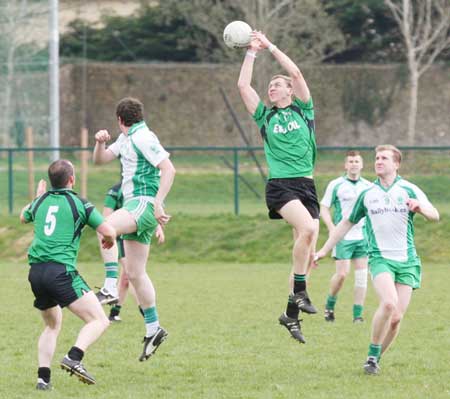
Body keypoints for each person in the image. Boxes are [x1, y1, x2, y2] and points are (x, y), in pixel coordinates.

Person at [315, 145, 439, 375]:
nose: (379, 161)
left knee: (396, 319)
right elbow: (345, 224)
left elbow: (435, 214)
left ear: (396, 164)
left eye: (384, 158)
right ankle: (372, 353)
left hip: (408, 261)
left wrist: (420, 208)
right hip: (380, 259)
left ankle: (375, 358)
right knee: (389, 303)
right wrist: (324, 250)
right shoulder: (368, 194)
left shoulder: (408, 188)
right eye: (377, 158)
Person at [237, 31, 320, 344]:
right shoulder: (264, 115)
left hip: (307, 184)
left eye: (277, 84)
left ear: (289, 90)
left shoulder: (304, 109)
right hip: (281, 185)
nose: (271, 88)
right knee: (309, 230)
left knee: (306, 252)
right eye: (269, 86)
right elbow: (243, 86)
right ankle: (300, 291)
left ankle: (291, 315)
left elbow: (296, 72)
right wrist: (251, 53)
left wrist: (270, 45)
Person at [93, 97, 176, 361]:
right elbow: (100, 160)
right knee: (136, 273)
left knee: (102, 226)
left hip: (142, 202)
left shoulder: (142, 137)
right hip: (136, 205)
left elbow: (168, 169)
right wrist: (99, 142)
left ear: (120, 120)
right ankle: (153, 329)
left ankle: (108, 286)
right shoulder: (126, 138)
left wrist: (158, 203)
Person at [21, 160, 116, 389]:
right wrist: (109, 239)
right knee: (99, 320)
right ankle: (74, 357)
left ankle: (43, 379)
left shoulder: (41, 201)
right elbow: (108, 230)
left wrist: (37, 197)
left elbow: (24, 217)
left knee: (52, 325)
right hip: (60, 271)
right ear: (71, 180)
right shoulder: (79, 203)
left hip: (36, 273)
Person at [96, 181, 165, 322]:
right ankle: (144, 309)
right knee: (130, 275)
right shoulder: (115, 190)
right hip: (117, 238)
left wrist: (158, 227)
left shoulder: (142, 189)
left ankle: (114, 312)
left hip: (133, 235)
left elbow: (149, 208)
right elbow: (105, 219)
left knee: (129, 276)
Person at [320, 151, 372, 323]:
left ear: (362, 165)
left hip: (363, 236)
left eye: (357, 161)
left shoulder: (369, 186)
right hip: (342, 236)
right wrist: (331, 227)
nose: (354, 164)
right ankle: (329, 305)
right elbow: (324, 207)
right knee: (342, 274)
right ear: (345, 165)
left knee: (361, 276)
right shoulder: (336, 184)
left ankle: (358, 315)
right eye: (351, 161)